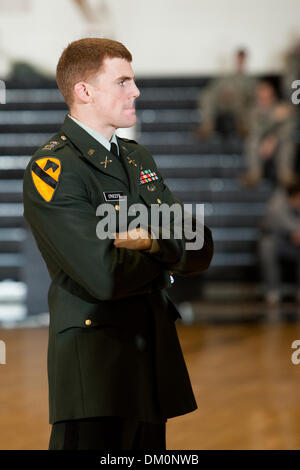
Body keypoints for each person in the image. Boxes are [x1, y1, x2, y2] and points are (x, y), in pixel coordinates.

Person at [22, 38, 214, 450]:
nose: (136, 91)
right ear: (84, 91)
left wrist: (146, 242)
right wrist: (165, 253)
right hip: (95, 372)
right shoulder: (54, 168)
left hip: (150, 361)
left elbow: (200, 245)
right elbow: (103, 276)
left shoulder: (136, 157)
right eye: (123, 81)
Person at [240, 80, 297, 187]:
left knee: (288, 143)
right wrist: (273, 118)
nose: (265, 101)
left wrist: (273, 139)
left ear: (273, 96)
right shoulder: (252, 111)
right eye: (261, 98)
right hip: (259, 145)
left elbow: (289, 128)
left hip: (278, 143)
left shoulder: (282, 107)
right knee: (252, 142)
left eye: (268, 97)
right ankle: (254, 172)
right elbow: (255, 130)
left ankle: (285, 173)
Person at [196, 48, 256, 139]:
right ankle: (207, 125)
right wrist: (223, 95)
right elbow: (213, 90)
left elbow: (253, 95)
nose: (240, 62)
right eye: (238, 59)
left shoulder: (250, 80)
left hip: (239, 106)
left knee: (241, 100)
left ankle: (243, 125)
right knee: (207, 96)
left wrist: (237, 95)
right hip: (223, 103)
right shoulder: (225, 77)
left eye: (242, 59)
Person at [258, 182, 300, 305]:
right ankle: (273, 290)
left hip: (296, 244)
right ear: (291, 197)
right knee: (266, 245)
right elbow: (271, 225)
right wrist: (293, 231)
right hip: (279, 241)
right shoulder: (275, 205)